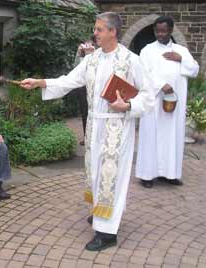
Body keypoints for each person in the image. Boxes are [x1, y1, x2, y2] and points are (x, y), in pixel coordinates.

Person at [20, 12, 154, 251]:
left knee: (111, 175)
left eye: (100, 29)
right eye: (96, 29)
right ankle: (103, 213)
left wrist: (129, 105)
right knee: (95, 172)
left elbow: (148, 95)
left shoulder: (131, 60)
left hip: (117, 126)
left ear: (113, 31)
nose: (95, 33)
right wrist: (40, 82)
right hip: (94, 125)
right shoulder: (91, 60)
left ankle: (107, 233)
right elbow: (69, 80)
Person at [136, 16, 199, 188]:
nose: (160, 34)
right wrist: (161, 85)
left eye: (164, 31)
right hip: (154, 103)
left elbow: (194, 70)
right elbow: (142, 74)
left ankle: (170, 174)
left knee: (173, 137)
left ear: (171, 30)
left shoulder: (181, 50)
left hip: (174, 106)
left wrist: (181, 59)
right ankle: (147, 175)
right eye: (157, 31)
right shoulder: (147, 51)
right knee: (151, 136)